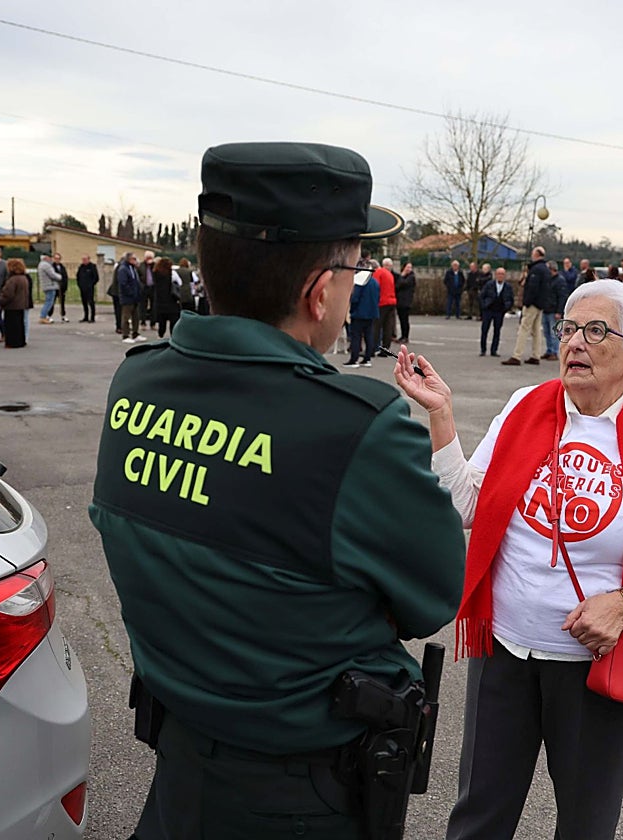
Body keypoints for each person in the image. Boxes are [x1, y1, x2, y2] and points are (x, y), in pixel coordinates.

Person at [90, 140, 465, 839]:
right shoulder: (355, 427)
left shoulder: (138, 380)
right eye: (354, 269)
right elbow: (434, 596)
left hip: (181, 767)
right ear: (319, 293)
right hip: (300, 797)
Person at [393, 279, 623, 840]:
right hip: (504, 650)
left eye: (595, 331)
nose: (573, 342)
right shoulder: (526, 406)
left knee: (586, 824)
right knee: (477, 818)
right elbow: (465, 505)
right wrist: (441, 415)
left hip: (596, 667)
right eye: (569, 327)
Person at [502, 246, 550, 366]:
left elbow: (533, 287)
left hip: (532, 303)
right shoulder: (545, 269)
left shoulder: (536, 270)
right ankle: (536, 355)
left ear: (537, 255)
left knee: (524, 328)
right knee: (536, 330)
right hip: (540, 304)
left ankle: (517, 355)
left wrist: (527, 302)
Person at [343, 263, 379, 368]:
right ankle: (367, 359)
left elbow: (355, 298)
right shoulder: (375, 282)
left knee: (356, 337)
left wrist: (352, 310)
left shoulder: (360, 282)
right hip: (371, 313)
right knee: (368, 336)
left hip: (359, 313)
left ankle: (354, 359)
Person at [478, 266, 515, 357]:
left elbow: (511, 299)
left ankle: (494, 350)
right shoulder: (489, 284)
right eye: (499, 274)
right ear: (495, 275)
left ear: (505, 276)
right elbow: (481, 296)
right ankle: (483, 349)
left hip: (499, 311)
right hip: (488, 310)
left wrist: (507, 307)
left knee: (497, 331)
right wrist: (484, 305)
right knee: (484, 330)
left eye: (502, 274)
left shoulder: (508, 287)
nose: (500, 276)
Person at [0, 258, 32, 348]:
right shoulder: (24, 278)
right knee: (20, 325)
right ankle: (21, 342)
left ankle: (12, 343)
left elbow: (8, 294)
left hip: (12, 306)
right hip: (21, 305)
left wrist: (1, 300)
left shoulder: (12, 280)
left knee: (11, 326)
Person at [541, 260, 570, 361]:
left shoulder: (560, 281)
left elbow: (562, 297)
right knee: (546, 332)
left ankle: (554, 351)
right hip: (546, 309)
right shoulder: (548, 280)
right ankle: (549, 350)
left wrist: (559, 311)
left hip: (554, 310)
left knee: (554, 333)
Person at [116, 252, 143, 343]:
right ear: (129, 259)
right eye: (133, 259)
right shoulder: (123, 269)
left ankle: (135, 333)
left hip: (135, 297)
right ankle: (125, 335)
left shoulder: (133, 268)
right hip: (127, 297)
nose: (135, 261)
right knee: (126, 317)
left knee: (136, 316)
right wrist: (130, 292)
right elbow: (123, 284)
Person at [152, 256, 182, 338]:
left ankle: (160, 335)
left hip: (160, 301)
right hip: (171, 300)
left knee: (162, 321)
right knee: (173, 321)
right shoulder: (171, 273)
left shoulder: (155, 273)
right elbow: (180, 282)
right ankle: (173, 336)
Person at [374, 257, 397, 350]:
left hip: (382, 302)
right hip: (392, 301)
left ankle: (373, 347)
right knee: (388, 326)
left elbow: (375, 286)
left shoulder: (379, 272)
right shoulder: (390, 275)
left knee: (376, 326)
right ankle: (386, 348)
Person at [395, 262, 416, 343]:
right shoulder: (402, 277)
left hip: (406, 301)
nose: (409, 269)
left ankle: (405, 336)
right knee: (401, 319)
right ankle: (402, 335)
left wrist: (401, 276)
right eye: (407, 267)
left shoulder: (411, 277)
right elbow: (397, 286)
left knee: (405, 320)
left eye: (410, 267)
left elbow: (403, 283)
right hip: (400, 301)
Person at [38, 255, 61, 324]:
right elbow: (52, 274)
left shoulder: (41, 264)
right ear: (46, 258)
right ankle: (43, 317)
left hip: (46, 285)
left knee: (48, 301)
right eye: (50, 257)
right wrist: (60, 277)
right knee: (49, 302)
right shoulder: (46, 265)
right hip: (50, 286)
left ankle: (43, 316)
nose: (51, 259)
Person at [76, 255, 100, 322]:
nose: (84, 261)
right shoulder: (81, 267)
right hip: (82, 288)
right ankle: (85, 317)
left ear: (89, 259)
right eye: (83, 259)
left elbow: (96, 278)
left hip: (90, 288)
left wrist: (91, 284)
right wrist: (79, 284)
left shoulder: (92, 267)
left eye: (85, 259)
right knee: (84, 302)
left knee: (91, 302)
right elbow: (78, 276)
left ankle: (92, 317)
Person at [49, 253, 69, 322]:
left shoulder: (62, 267)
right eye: (56, 258)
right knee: (52, 302)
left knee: (62, 302)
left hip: (61, 288)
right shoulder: (51, 267)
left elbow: (65, 277)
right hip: (54, 287)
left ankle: (63, 315)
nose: (57, 260)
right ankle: (49, 315)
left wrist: (65, 287)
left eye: (58, 259)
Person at [139, 251, 157, 328]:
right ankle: (143, 322)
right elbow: (138, 276)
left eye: (151, 258)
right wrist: (141, 285)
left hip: (153, 287)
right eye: (148, 258)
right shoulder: (141, 266)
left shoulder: (155, 266)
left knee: (154, 306)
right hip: (144, 287)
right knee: (143, 306)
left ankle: (153, 323)